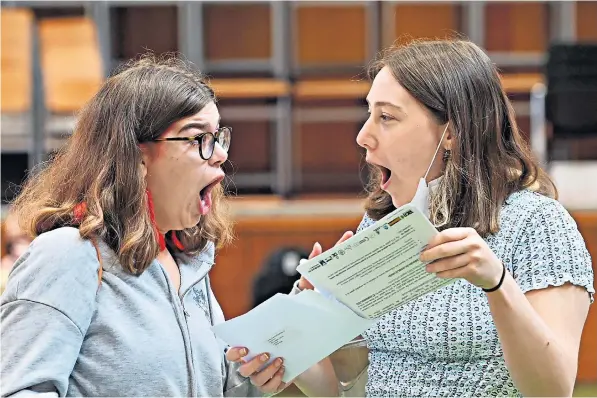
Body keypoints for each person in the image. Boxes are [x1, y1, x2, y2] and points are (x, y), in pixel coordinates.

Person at [226, 39, 595, 397]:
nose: (362, 136)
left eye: (386, 117)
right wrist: (294, 349)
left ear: (451, 133)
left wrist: (497, 284)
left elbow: (552, 390)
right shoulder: (385, 222)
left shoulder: (539, 225)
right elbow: (358, 387)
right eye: (368, 113)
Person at [0, 55, 266, 397]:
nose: (219, 155)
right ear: (137, 156)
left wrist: (263, 365)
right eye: (198, 138)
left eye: (218, 137)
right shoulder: (67, 255)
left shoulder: (188, 264)